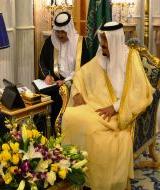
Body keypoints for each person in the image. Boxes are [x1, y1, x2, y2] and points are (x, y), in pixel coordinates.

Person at [62, 22, 155, 190]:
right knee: (71, 116)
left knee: (93, 130)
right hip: (97, 105)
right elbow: (81, 75)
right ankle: (75, 172)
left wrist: (116, 107)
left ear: (114, 41)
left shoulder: (130, 58)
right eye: (102, 39)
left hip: (120, 112)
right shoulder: (101, 57)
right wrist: (76, 94)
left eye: (105, 40)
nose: (102, 44)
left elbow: (141, 91)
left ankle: (98, 180)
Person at [38, 11, 89, 130]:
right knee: (40, 102)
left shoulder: (80, 43)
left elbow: (85, 68)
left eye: (63, 32)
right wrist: (47, 75)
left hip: (74, 84)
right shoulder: (50, 42)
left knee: (58, 103)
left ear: (69, 30)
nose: (60, 35)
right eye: (57, 31)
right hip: (54, 84)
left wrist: (66, 81)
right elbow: (42, 62)